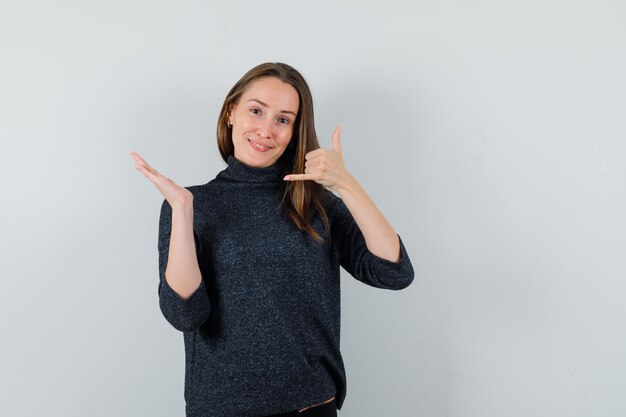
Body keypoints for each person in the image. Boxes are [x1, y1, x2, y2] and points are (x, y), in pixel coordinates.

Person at [130, 62, 414, 417]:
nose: (266, 130)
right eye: (256, 111)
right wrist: (184, 210)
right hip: (222, 408)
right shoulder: (188, 204)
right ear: (232, 112)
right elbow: (185, 314)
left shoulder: (315, 203)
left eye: (283, 119)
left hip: (310, 406)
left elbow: (394, 272)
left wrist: (345, 185)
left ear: (295, 130)